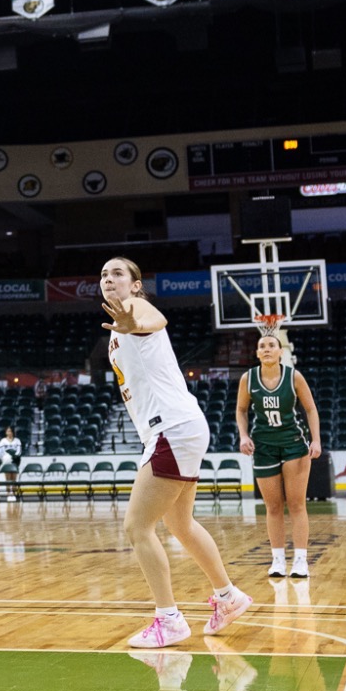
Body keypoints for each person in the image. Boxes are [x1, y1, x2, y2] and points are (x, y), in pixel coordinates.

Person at [100, 258, 253, 648]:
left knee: (137, 527)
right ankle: (228, 596)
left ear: (136, 285)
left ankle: (168, 619)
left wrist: (136, 321)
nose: (109, 279)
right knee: (180, 526)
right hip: (176, 428)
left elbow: (156, 319)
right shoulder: (116, 331)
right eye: (103, 275)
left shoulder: (136, 309)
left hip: (171, 428)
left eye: (118, 273)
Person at [235, 332, 322, 578]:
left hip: (294, 444)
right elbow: (241, 409)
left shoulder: (294, 377)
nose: (267, 349)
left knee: (296, 504)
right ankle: (278, 560)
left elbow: (311, 408)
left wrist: (315, 440)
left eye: (272, 345)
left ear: (280, 351)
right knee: (273, 507)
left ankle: (301, 560)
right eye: (262, 346)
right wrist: (243, 435)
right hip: (263, 446)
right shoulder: (248, 378)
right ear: (257, 352)